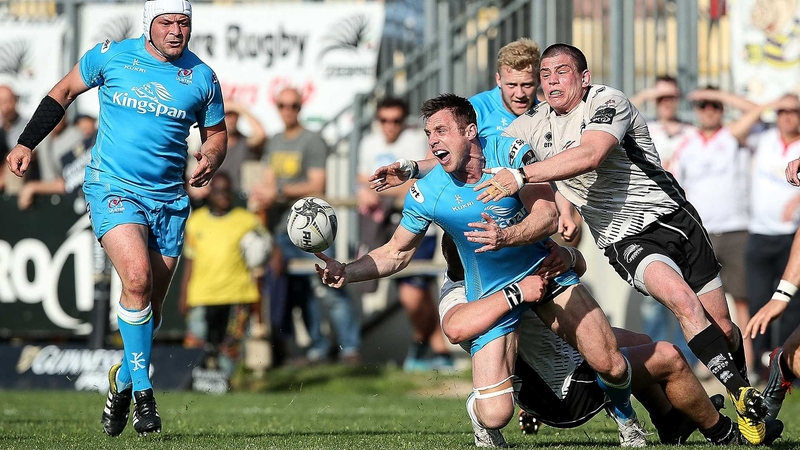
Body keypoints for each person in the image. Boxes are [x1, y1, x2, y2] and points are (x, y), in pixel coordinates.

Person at [373, 44, 768, 444]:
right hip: (622, 241)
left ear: (584, 76)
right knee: (675, 322)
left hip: (675, 219)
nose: (548, 82)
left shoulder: (606, 101)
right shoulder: (531, 130)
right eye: (544, 75)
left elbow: (590, 154)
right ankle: (733, 414)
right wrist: (410, 169)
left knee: (718, 329)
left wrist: (522, 183)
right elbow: (467, 154)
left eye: (559, 72)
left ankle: (692, 417)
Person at [318, 94, 642, 447]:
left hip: (543, 272)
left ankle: (627, 420)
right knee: (496, 413)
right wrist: (347, 271)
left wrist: (506, 237)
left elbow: (547, 216)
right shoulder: (427, 190)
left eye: (441, 130)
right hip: (490, 288)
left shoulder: (510, 152)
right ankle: (482, 417)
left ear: (470, 131)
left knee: (611, 362)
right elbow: (397, 252)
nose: (434, 140)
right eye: (429, 133)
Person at [6, 0, 226, 437]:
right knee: (137, 280)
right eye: (167, 23)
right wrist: (27, 143)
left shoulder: (202, 76)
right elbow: (62, 93)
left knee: (153, 307)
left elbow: (216, 134)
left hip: (168, 200)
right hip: (112, 188)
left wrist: (211, 159)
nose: (177, 31)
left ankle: (122, 379)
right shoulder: (111, 55)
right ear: (149, 24)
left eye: (184, 23)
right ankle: (144, 395)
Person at [439, 240, 782, 446]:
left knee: (640, 339)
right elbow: (455, 328)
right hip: (563, 393)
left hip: (561, 364)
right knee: (670, 356)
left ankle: (670, 422)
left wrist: (566, 256)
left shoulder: (505, 264)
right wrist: (516, 293)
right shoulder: (459, 290)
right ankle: (722, 433)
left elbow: (579, 264)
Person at [251, 86, 361, 366]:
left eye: (294, 106)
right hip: (281, 228)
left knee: (331, 285)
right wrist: (263, 194)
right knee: (299, 292)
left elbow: (317, 185)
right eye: (283, 105)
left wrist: (278, 192)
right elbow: (268, 180)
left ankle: (350, 348)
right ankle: (318, 348)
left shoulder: (312, 140)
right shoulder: (274, 140)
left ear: (301, 108)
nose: (288, 111)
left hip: (311, 227)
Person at [671, 87, 763, 379]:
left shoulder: (731, 135)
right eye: (703, 105)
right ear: (696, 109)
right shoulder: (686, 141)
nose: (709, 110)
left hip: (736, 229)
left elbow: (756, 110)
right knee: (699, 301)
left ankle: (747, 363)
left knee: (742, 300)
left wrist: (720, 95)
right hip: (701, 233)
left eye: (714, 105)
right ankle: (710, 363)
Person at [356, 96, 450, 371]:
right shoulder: (368, 143)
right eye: (384, 120)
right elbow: (363, 178)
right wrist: (371, 188)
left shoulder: (415, 142)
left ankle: (423, 346)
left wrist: (378, 189)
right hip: (384, 227)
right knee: (414, 293)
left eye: (396, 120)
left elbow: (426, 179)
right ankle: (436, 351)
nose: (390, 126)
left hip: (419, 224)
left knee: (414, 294)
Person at [469, 37, 581, 245]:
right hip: (480, 210)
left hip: (532, 212)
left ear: (539, 80)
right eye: (512, 85)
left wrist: (566, 212)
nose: (519, 94)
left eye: (527, 85)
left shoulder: (546, 115)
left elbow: (555, 169)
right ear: (498, 80)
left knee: (570, 247)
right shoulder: (475, 110)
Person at [179, 171, 269, 375]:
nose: (223, 196)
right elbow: (189, 261)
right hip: (203, 293)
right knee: (196, 341)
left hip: (237, 293)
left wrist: (274, 257)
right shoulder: (196, 222)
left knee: (230, 345)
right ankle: (191, 381)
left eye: (227, 191)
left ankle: (226, 384)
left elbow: (267, 247)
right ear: (210, 193)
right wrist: (184, 293)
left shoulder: (247, 220)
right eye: (219, 191)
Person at [743, 94, 800, 375]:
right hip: (759, 234)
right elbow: (736, 129)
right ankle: (760, 369)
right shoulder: (763, 138)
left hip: (791, 236)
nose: (788, 116)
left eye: (794, 111)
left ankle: (787, 370)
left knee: (791, 307)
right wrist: (768, 104)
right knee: (758, 301)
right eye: (782, 111)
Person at [218, 100, 267, 195]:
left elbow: (260, 134)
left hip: (241, 197)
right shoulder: (211, 144)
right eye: (227, 115)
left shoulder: (245, 142)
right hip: (218, 197)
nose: (231, 119)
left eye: (234, 115)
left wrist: (240, 108)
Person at [0, 85, 29, 193]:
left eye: (9, 100)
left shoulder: (29, 126)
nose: (6, 106)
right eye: (2, 102)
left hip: (21, 176)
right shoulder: (2, 131)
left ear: (16, 100)